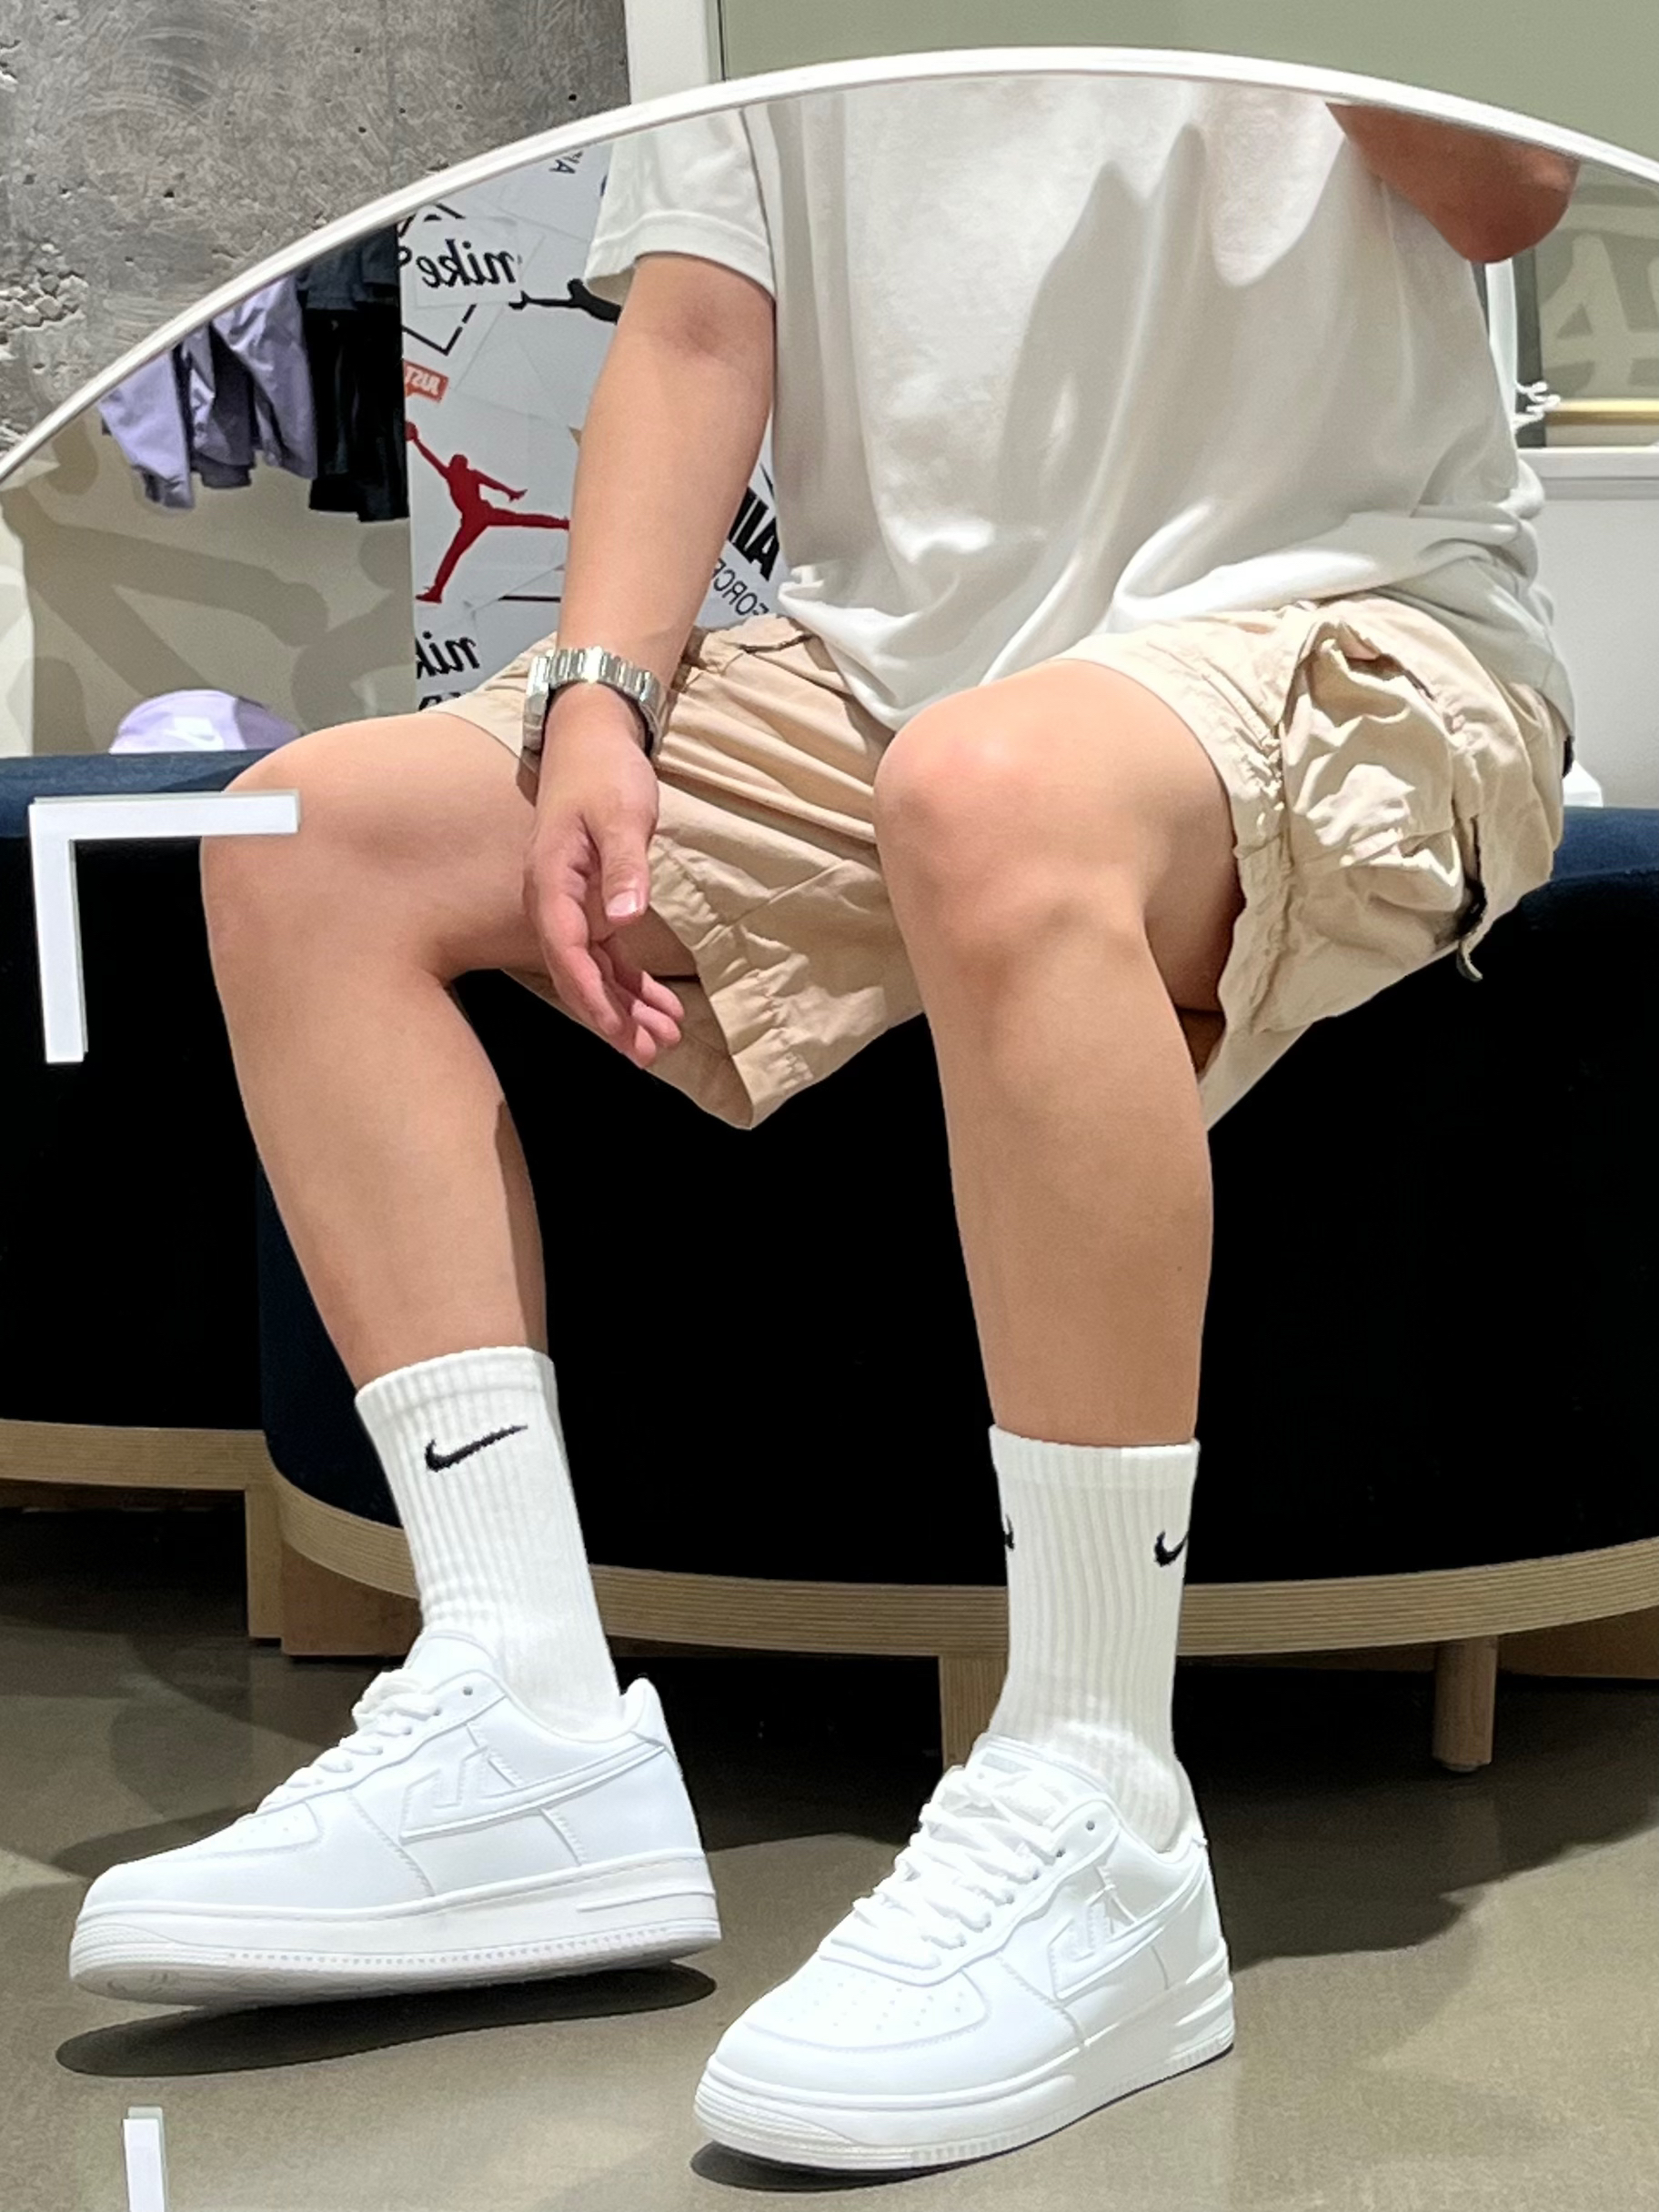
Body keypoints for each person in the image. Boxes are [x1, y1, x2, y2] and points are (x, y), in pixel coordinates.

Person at [68, 76, 1576, 2173]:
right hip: (887, 682)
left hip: (1348, 624)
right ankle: (520, 1713)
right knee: (305, 838)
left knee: (995, 790)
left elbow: (1512, 185)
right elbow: (702, 323)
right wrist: (603, 687)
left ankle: (1101, 1800)